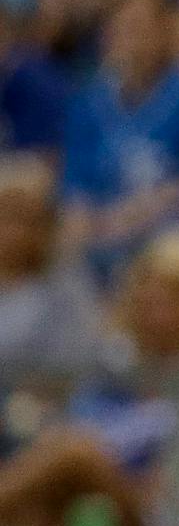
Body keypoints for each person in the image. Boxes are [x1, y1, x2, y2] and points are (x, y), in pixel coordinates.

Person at [0, 224, 179, 526]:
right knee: (30, 513)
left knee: (76, 453)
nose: (152, 316)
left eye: (166, 304)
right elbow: (79, 424)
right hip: (93, 495)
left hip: (157, 512)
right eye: (146, 301)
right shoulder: (113, 364)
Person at [60, 0, 179, 266]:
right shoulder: (89, 101)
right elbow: (74, 188)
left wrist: (131, 217)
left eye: (141, 27)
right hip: (98, 241)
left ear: (167, 29)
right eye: (122, 27)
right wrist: (86, 229)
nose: (131, 38)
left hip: (171, 240)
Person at [0, 152, 107, 376]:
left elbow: (74, 361)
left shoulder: (68, 286)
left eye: (26, 219)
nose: (13, 230)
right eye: (5, 215)